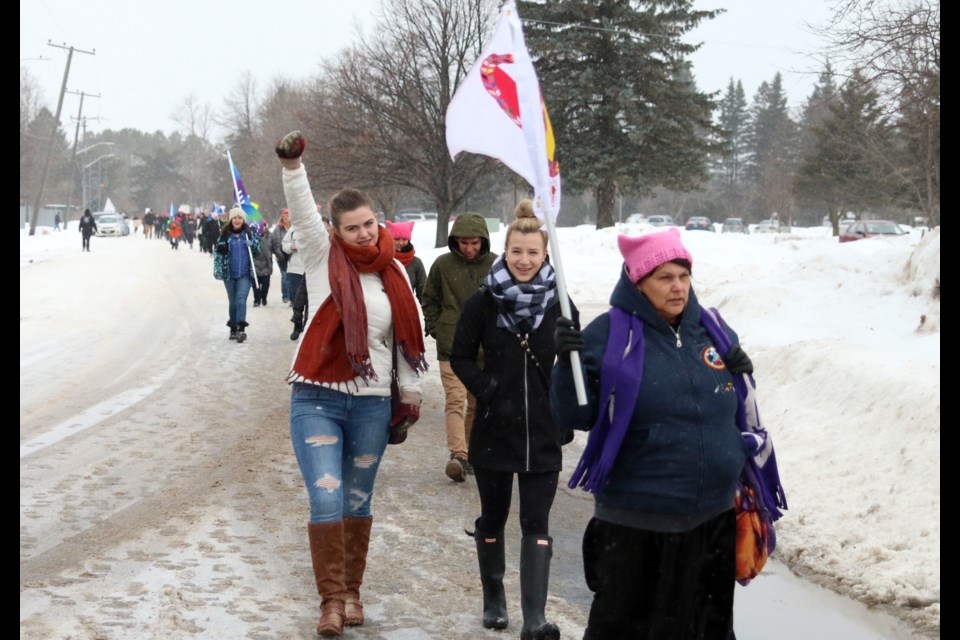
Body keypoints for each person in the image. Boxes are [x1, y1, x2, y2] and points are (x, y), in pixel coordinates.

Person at [551, 228, 766, 639]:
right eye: (665, 278)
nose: (678, 287)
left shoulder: (713, 330)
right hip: (637, 523)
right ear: (638, 283)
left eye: (683, 276)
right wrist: (565, 366)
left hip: (712, 519)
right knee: (630, 629)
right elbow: (572, 416)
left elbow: (732, 408)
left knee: (705, 630)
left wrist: (742, 375)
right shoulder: (608, 334)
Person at [276, 130, 427, 637]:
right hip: (316, 398)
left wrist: (408, 400)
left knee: (358, 501)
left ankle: (353, 593)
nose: (363, 234)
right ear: (335, 232)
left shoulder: (396, 274)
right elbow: (300, 207)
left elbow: (410, 339)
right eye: (352, 228)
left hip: (369, 406)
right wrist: (293, 165)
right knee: (327, 498)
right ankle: (331, 603)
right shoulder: (322, 259)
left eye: (369, 224)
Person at [450, 201, 572, 640]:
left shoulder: (562, 302)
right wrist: (487, 390)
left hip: (543, 434)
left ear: (544, 255)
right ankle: (494, 598)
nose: (524, 260)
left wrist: (567, 403)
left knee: (536, 523)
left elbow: (579, 365)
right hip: (494, 433)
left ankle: (534, 617)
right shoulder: (484, 301)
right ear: (505, 251)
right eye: (516, 251)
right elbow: (459, 355)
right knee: (494, 517)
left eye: (533, 253)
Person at [422, 212, 497, 482]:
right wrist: (436, 326)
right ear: (455, 241)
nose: (469, 248)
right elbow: (429, 298)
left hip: (484, 347)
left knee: (477, 403)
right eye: (464, 242)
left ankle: (470, 453)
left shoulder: (496, 265)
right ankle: (458, 454)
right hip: (451, 344)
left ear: (483, 241)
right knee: (455, 399)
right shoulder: (442, 264)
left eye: (475, 242)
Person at [213, 206, 260, 343]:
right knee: (233, 303)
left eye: (240, 218)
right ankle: (233, 327)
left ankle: (241, 329)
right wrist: (218, 271)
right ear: (231, 220)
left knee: (241, 300)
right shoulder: (225, 236)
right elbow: (218, 255)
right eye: (235, 218)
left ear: (243, 220)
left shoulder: (249, 234)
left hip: (245, 275)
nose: (237, 220)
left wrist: (253, 245)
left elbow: (257, 252)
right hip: (229, 275)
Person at [385, 220, 426, 302]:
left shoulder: (416, 262)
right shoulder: (383, 260)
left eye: (404, 239)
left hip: (408, 309)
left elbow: (423, 294)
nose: (400, 242)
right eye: (396, 239)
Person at [272, 209, 292, 302]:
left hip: (292, 255)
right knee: (284, 275)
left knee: (292, 276)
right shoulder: (278, 229)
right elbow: (275, 243)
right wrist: (279, 254)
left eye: (287, 216)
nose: (285, 218)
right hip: (281, 255)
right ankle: (285, 296)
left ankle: (292, 295)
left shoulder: (294, 228)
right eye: (283, 216)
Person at [252, 222, 274, 307]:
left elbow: (275, 246)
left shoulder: (270, 236)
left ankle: (264, 297)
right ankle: (256, 300)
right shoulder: (253, 236)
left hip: (266, 264)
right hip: (255, 263)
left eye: (263, 226)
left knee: (265, 284)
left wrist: (279, 254)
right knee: (255, 284)